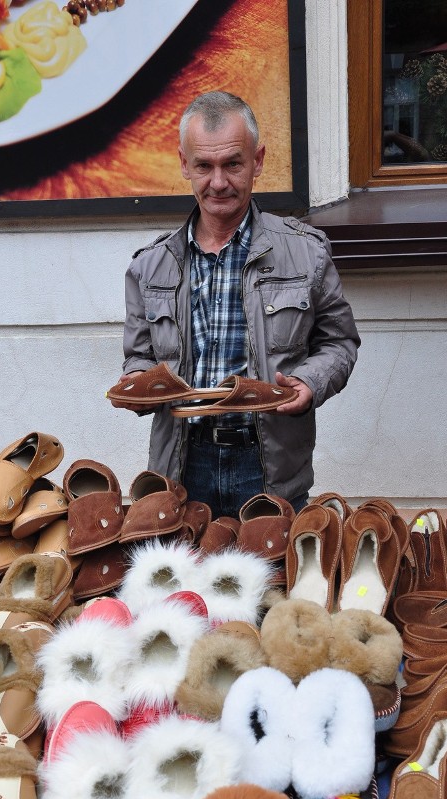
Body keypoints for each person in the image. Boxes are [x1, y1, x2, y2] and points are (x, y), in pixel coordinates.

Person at [114, 91, 360, 519]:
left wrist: (309, 382)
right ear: (184, 164)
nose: (218, 182)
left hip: (269, 467)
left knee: (268, 583)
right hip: (181, 464)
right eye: (204, 166)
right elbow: (139, 358)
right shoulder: (149, 267)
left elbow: (340, 343)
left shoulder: (307, 253)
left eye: (233, 163)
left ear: (258, 160)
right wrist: (137, 384)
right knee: (184, 583)